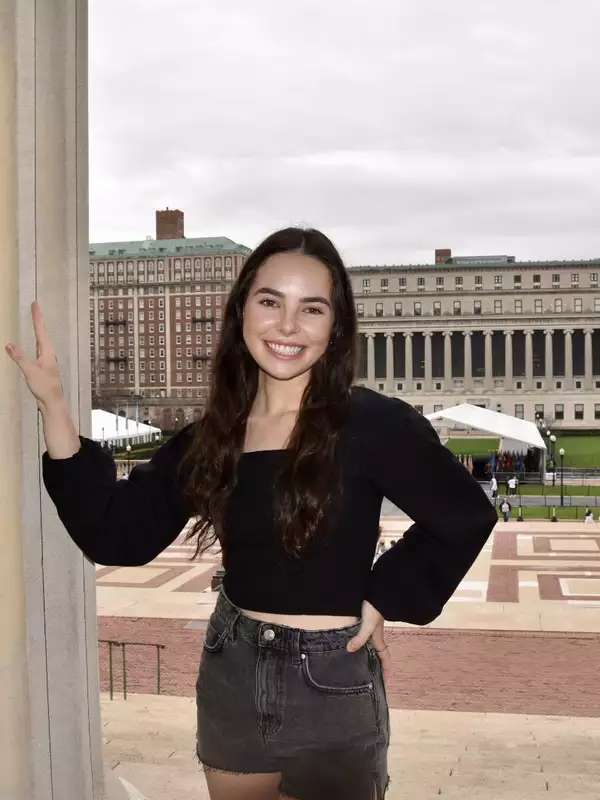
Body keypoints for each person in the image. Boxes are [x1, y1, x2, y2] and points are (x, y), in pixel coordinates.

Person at [6, 228, 498, 800]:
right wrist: (55, 405)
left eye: (310, 309)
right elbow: (117, 534)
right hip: (233, 667)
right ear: (241, 310)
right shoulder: (214, 438)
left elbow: (464, 515)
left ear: (335, 327)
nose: (287, 327)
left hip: (332, 678)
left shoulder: (374, 425)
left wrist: (386, 593)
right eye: (270, 302)